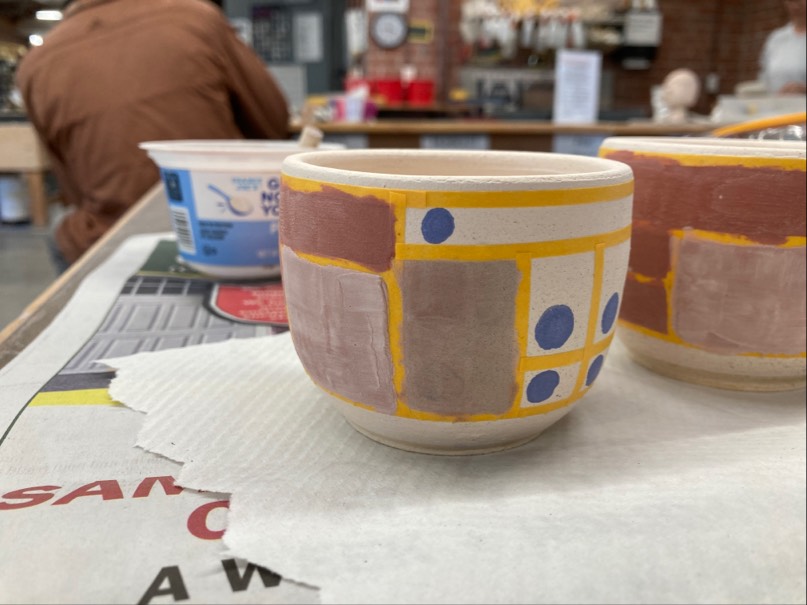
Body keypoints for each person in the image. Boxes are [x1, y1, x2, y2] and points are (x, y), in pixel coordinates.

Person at [16, 0, 290, 271]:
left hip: (109, 235)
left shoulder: (34, 64)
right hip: (227, 230)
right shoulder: (195, 17)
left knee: (61, 230)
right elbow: (272, 123)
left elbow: (72, 188)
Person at [758, 0, 807, 95]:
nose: (795, 6)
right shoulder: (776, 39)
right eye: (791, 1)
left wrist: (804, 89)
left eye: (799, 1)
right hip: (777, 102)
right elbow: (764, 78)